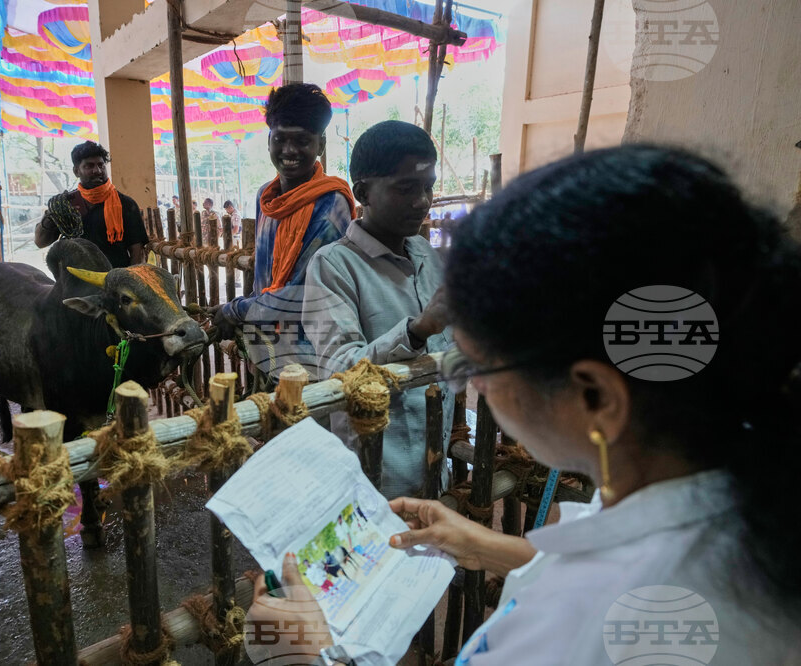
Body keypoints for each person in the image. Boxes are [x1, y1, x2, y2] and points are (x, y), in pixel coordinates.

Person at [248, 145, 801, 664]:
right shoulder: (741, 498)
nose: (475, 387)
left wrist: (311, 656)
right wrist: (490, 546)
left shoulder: (578, 632)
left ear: (596, 398)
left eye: (479, 365)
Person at [303, 120, 454, 499]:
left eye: (428, 187)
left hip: (435, 465)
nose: (422, 201)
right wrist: (416, 331)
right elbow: (340, 369)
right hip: (373, 475)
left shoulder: (426, 255)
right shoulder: (333, 266)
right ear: (363, 192)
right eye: (406, 188)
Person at [209, 83, 355, 367]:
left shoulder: (330, 205)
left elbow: (301, 295)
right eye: (280, 139)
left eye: (302, 141)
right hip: (268, 346)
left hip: (313, 353)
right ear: (268, 140)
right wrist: (244, 312)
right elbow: (264, 283)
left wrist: (235, 311)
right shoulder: (266, 197)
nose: (289, 150)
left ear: (320, 145)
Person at [34, 141, 148, 267]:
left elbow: (136, 249)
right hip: (75, 280)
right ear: (76, 171)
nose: (97, 170)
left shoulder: (126, 204)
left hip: (114, 279)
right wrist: (53, 213)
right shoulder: (66, 205)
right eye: (89, 166)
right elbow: (40, 242)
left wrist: (128, 280)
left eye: (101, 165)